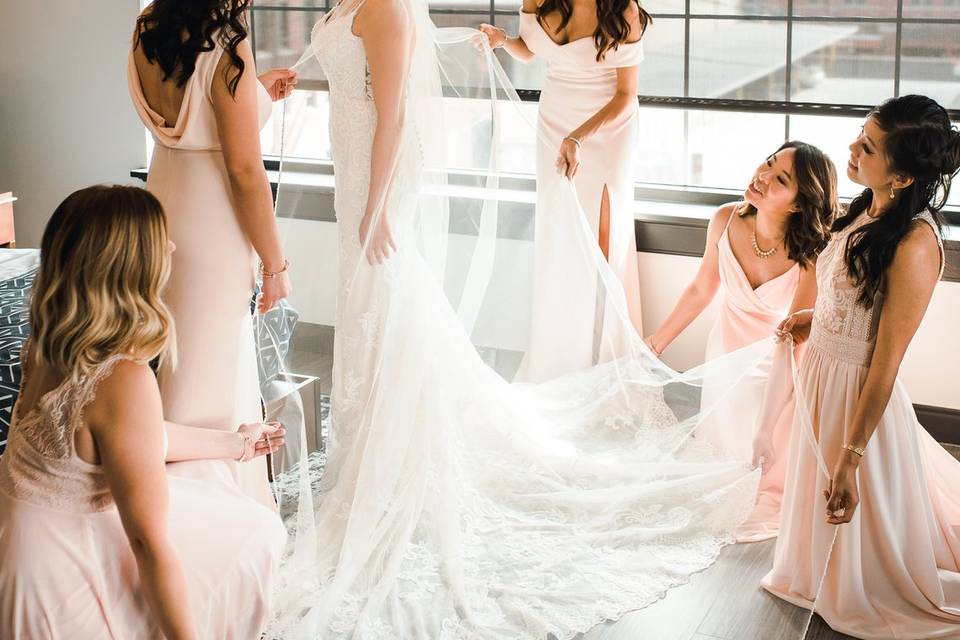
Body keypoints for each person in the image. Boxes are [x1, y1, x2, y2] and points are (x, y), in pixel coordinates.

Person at [258, 0, 781, 637]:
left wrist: (378, 204)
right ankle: (372, 435)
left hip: (394, 168)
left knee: (392, 293)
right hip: (359, 155)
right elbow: (359, 69)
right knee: (372, 297)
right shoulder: (369, 8)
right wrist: (295, 78)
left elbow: (393, 107)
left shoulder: (393, 10)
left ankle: (403, 438)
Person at [0, 185, 287, 640]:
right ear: (127, 266)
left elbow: (133, 438)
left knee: (220, 500)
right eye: (161, 239)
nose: (172, 246)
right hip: (59, 585)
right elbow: (147, 544)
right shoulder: (123, 378)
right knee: (250, 535)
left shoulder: (44, 346)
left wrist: (238, 443)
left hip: (21, 559)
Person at [762, 95, 960, 639]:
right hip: (823, 377)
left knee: (853, 518)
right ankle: (820, 575)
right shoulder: (865, 208)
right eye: (860, 134)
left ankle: (862, 587)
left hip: (858, 399)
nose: (851, 148)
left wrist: (852, 456)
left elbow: (885, 362)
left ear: (900, 175)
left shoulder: (916, 244)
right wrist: (813, 319)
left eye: (868, 146)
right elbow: (848, 296)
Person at [129, 0, 295, 505]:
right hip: (212, 220)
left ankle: (155, 489)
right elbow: (244, 171)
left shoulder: (147, 26)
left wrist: (256, 93)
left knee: (172, 353)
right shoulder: (225, 45)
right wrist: (275, 264)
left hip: (162, 202)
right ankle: (203, 511)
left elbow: (190, 114)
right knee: (210, 370)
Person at [645, 141, 838, 541]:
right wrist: (655, 344)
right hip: (727, 347)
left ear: (800, 204)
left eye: (780, 179)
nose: (762, 177)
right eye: (768, 164)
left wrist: (772, 410)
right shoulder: (725, 219)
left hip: (777, 354)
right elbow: (701, 289)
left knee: (756, 399)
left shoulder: (811, 253)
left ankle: (767, 470)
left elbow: (793, 336)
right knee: (722, 451)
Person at [479, 0, 651, 380]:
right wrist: (502, 40)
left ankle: (608, 367)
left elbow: (626, 95)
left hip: (606, 129)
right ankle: (560, 359)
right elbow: (530, 49)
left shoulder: (624, 10)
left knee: (603, 244)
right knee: (561, 238)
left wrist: (579, 137)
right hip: (555, 121)